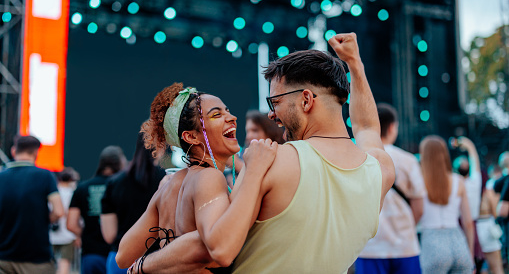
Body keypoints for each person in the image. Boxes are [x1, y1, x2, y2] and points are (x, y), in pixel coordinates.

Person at [121, 32, 395, 274]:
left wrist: (143, 267)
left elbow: (215, 247)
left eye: (275, 102)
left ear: (306, 100)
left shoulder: (272, 161)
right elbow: (368, 126)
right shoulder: (380, 170)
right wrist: (355, 65)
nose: (271, 114)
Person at [115, 83, 277, 272]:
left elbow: (123, 255)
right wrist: (253, 171)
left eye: (228, 111)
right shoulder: (209, 177)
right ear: (191, 137)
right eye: (217, 114)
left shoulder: (169, 185)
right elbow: (219, 251)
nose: (232, 118)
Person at [356, 103, 425, 274]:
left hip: (369, 248)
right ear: (393, 127)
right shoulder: (408, 160)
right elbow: (419, 207)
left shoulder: (358, 159)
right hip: (405, 247)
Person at [100, 132, 166, 274]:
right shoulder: (167, 181)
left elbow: (109, 235)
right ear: (160, 148)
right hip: (157, 261)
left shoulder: (114, 182)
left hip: (121, 260)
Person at [0, 135, 64, 274]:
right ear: (36, 152)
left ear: (13, 151)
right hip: (36, 258)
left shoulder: (1, 176)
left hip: (3, 257)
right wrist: (42, 220)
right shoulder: (45, 176)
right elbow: (59, 211)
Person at [418, 135, 474, 274]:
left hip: (432, 241)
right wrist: (470, 254)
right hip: (458, 241)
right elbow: (468, 222)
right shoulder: (458, 181)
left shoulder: (419, 182)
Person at [67, 146, 125, 274]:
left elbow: (71, 224)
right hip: (119, 254)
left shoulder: (82, 188)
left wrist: (85, 234)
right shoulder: (123, 187)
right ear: (120, 163)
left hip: (91, 254)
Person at [452, 136, 484, 271]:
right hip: (475, 229)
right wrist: (467, 144)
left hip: (458, 229)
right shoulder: (474, 183)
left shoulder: (453, 186)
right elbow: (474, 157)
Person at [50, 167, 80, 274]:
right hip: (69, 234)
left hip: (51, 235)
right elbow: (77, 218)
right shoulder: (74, 193)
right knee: (64, 263)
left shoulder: (52, 192)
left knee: (50, 264)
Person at [477, 170, 504, 274]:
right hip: (487, 227)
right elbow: (495, 211)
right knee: (497, 267)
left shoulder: (466, 188)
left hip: (473, 228)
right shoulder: (488, 191)